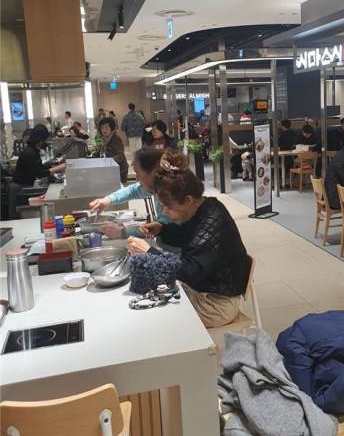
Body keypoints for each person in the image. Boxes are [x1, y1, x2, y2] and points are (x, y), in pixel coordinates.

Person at [127, 151, 251, 328]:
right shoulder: (204, 208)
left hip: (216, 304)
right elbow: (186, 236)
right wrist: (162, 229)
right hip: (201, 290)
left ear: (187, 200)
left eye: (168, 207)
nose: (166, 212)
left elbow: (190, 270)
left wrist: (149, 252)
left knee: (154, 320)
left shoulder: (212, 219)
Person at [90, 148, 173, 239]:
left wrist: (122, 232)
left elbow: (163, 228)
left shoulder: (171, 194)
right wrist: (107, 200)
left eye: (138, 173)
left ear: (153, 173)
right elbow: (133, 190)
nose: (137, 179)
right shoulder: (157, 186)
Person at [96, 117, 128, 184]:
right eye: (102, 128)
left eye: (106, 128)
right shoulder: (105, 138)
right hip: (111, 169)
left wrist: (108, 160)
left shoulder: (116, 139)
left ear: (111, 128)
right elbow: (100, 151)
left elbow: (120, 156)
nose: (104, 130)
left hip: (119, 170)